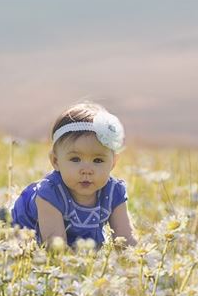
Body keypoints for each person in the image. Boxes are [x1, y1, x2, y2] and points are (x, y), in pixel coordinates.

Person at [11, 102, 137, 248]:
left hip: (79, 247)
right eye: (75, 159)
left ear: (113, 162)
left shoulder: (113, 192)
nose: (87, 170)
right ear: (56, 161)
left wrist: (137, 261)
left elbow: (126, 240)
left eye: (98, 160)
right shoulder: (50, 193)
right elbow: (55, 247)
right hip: (19, 232)